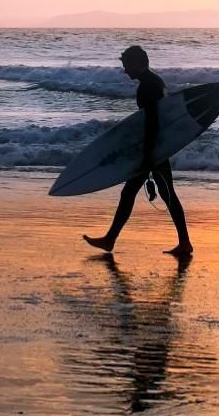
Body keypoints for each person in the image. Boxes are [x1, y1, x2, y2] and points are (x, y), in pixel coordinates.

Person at [83, 45, 193, 257]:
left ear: (137, 63)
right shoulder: (155, 82)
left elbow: (152, 122)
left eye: (126, 65)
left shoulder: (147, 87)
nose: (125, 71)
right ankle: (111, 239)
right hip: (158, 145)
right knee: (146, 192)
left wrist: (149, 155)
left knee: (163, 193)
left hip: (154, 148)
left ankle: (184, 242)